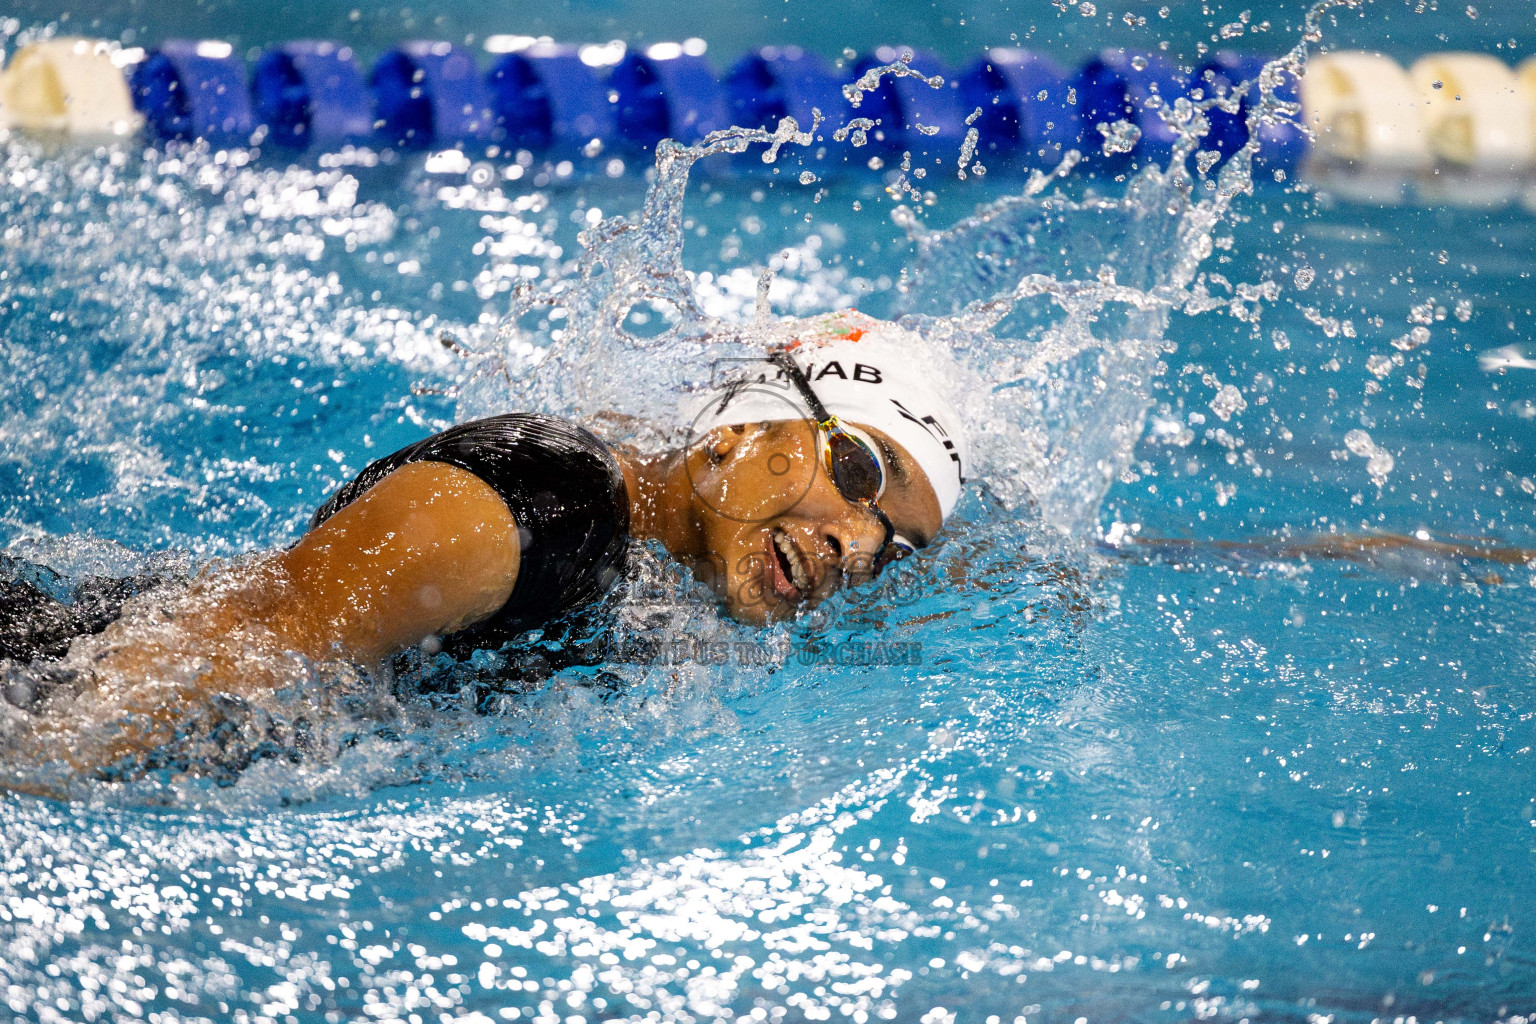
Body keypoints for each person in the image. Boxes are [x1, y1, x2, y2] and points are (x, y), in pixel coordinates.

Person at [0, 310, 970, 779]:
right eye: (857, 473)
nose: (853, 543)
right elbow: (235, 645)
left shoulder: (664, 566)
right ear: (743, 427)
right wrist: (36, 780)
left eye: (893, 546)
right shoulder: (539, 508)